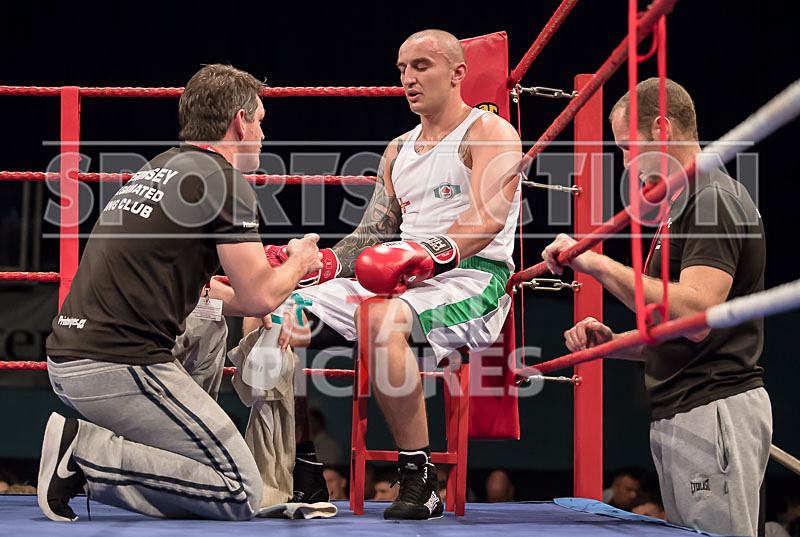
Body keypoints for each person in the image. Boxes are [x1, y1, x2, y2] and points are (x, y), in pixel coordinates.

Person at [237, 28, 522, 520]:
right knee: (270, 310)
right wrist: (320, 263)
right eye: (402, 69)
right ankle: (302, 466)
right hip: (400, 277)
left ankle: (419, 478)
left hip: (472, 279)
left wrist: (424, 254)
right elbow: (373, 235)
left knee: (379, 319)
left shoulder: (489, 133)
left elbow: (487, 219)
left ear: (458, 73)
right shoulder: (398, 149)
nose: (408, 78)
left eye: (421, 66)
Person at [39, 64, 322, 522]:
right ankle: (84, 455)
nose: (263, 135)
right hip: (118, 364)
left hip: (74, 358)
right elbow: (258, 297)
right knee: (240, 491)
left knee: (208, 324)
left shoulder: (160, 168)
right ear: (239, 122)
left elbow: (212, 293)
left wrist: (263, 291)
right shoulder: (224, 181)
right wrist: (301, 261)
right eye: (260, 121)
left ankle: (93, 455)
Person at [542, 77, 770, 537]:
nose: (627, 162)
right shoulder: (682, 206)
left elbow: (697, 315)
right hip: (684, 410)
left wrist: (595, 262)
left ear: (662, 129)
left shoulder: (711, 197)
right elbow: (674, 328)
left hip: (713, 404)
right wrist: (613, 342)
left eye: (628, 147)